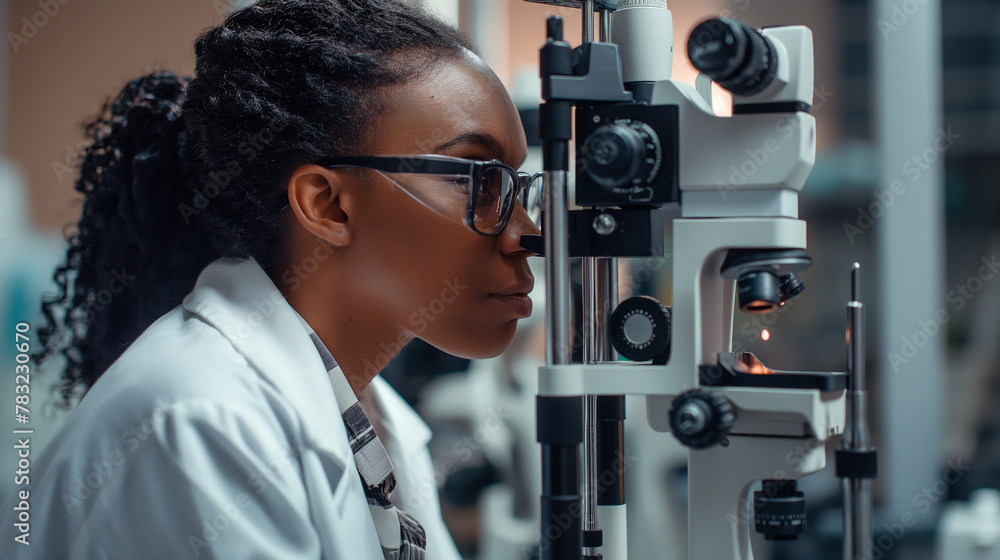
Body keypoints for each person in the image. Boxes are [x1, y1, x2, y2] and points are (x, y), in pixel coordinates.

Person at [1, 0, 540, 558]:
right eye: (479, 181)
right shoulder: (202, 419)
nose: (526, 232)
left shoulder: (374, 418)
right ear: (327, 205)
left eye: (520, 187)